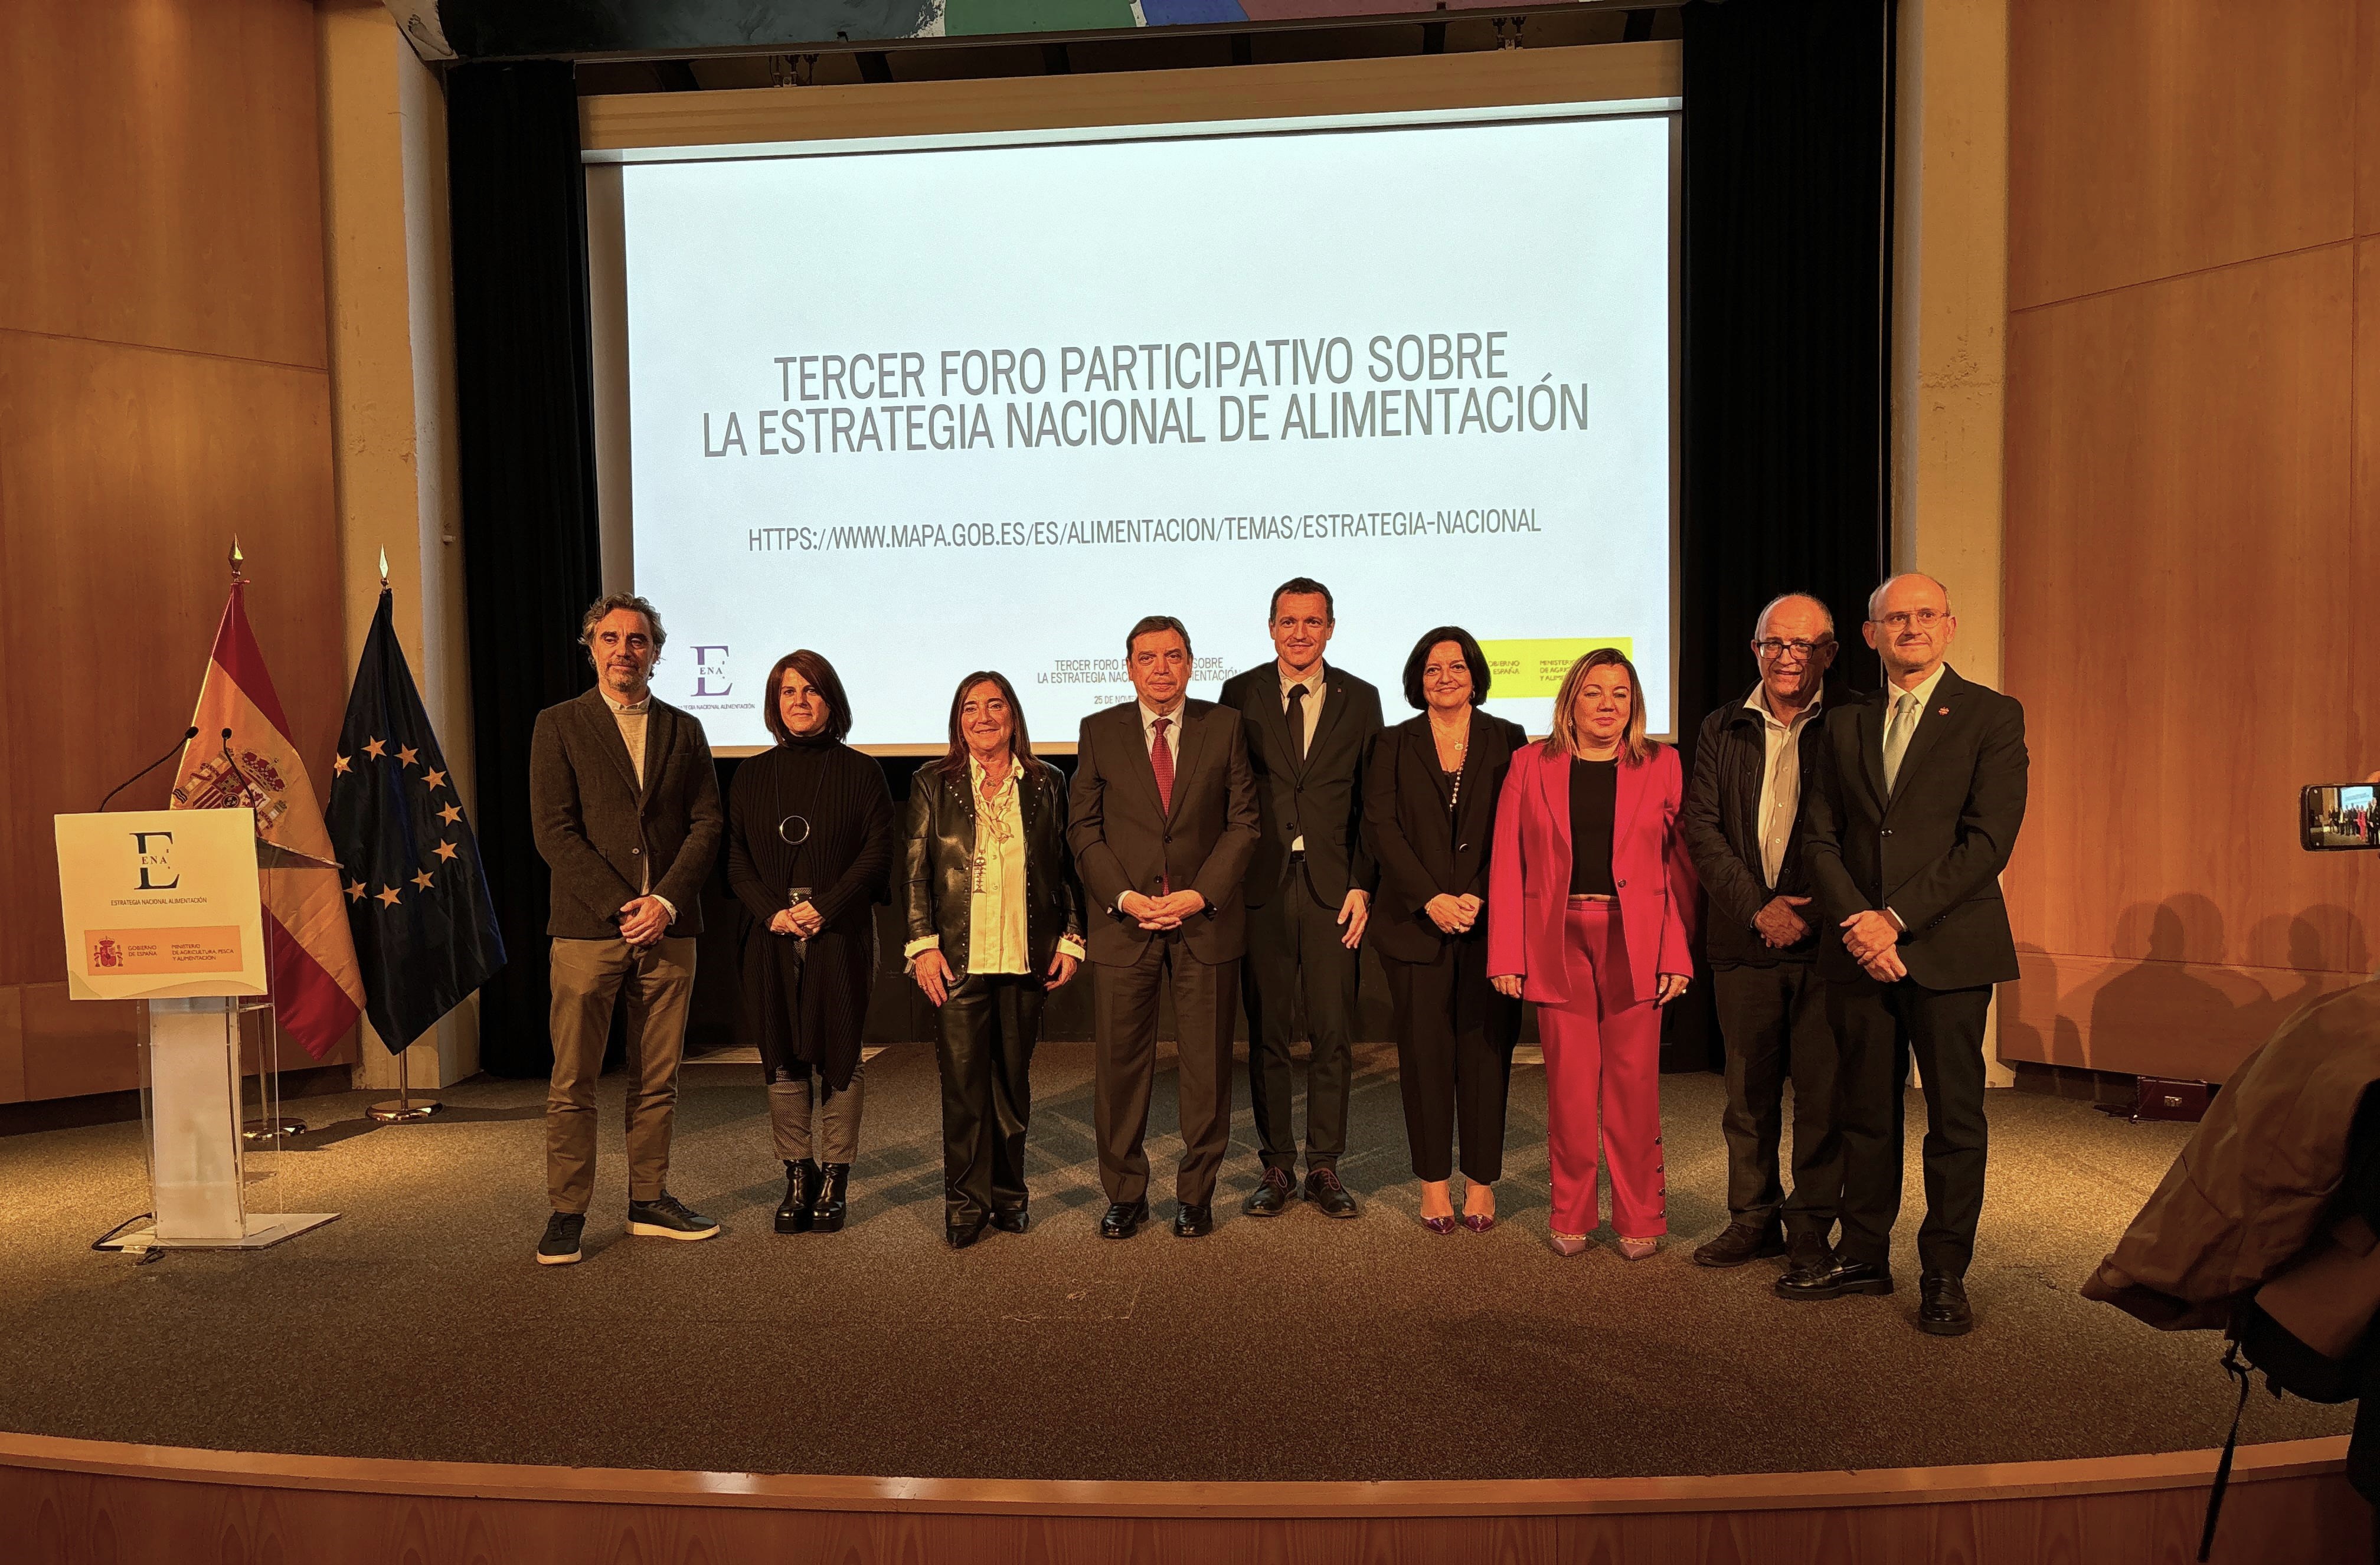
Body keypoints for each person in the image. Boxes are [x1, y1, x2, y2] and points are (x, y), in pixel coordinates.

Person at [1790, 572, 2028, 1336]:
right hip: (1859, 951)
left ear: (1950, 627)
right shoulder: (1844, 724)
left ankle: (1944, 1272)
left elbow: (1988, 842)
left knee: (1955, 1120)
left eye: (1926, 615)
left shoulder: (1992, 715)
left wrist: (1894, 920)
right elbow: (1820, 837)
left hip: (1949, 949)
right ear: (1870, 635)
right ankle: (1864, 1253)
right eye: (1896, 618)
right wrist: (1861, 924)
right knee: (1866, 1112)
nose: (1911, 628)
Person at [528, 592, 724, 1266]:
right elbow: (554, 831)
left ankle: (648, 1200)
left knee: (658, 1078)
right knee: (573, 1080)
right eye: (610, 639)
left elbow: (707, 824)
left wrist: (664, 902)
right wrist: (624, 905)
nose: (624, 651)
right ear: (591, 648)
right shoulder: (558, 724)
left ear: (655, 652)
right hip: (588, 928)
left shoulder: (685, 730)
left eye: (637, 640)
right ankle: (567, 1211)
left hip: (669, 928)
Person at [1488, 647, 1697, 1259]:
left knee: (1635, 1089)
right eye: (1594, 692)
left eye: (1620, 694)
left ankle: (1641, 1217)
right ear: (1570, 702)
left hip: (1636, 940)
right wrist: (1507, 954)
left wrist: (1676, 952)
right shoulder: (1529, 764)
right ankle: (1571, 1211)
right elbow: (1507, 863)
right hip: (1558, 940)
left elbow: (1680, 870)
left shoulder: (1662, 764)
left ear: (1634, 705)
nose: (1607, 705)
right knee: (1571, 1090)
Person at [1067, 615, 1260, 1239]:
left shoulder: (1224, 726)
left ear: (1190, 664)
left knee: (1207, 1068)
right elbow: (1083, 830)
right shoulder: (1098, 731)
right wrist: (1125, 898)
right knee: (1120, 1071)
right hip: (1125, 926)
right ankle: (1126, 1194)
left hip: (1204, 922)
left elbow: (1244, 822)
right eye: (1147, 658)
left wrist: (1200, 894)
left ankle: (1196, 1195)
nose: (1161, 669)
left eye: (1173, 656)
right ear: (1128, 668)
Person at [1679, 594, 1843, 1273]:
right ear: (1755, 650)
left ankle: (1809, 1227)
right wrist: (1759, 909)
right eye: (1775, 643)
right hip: (1743, 940)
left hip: (1827, 944)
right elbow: (1701, 828)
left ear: (1828, 653)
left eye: (1802, 645)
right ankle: (1751, 1219)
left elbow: (1863, 831)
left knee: (1822, 1098)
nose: (1787, 657)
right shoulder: (1722, 726)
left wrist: (1809, 912)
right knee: (1747, 1097)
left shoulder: (1852, 721)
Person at [1218, 577, 1384, 1220]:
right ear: (1271, 628)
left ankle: (1324, 1165)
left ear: (1330, 629)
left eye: (1313, 622)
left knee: (1332, 1031)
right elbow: (1228, 792)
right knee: (1267, 1033)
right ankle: (1277, 1165)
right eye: (1288, 622)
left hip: (1333, 889)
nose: (1300, 633)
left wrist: (1363, 882)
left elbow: (1373, 803)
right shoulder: (1240, 694)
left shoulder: (1361, 699)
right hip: (1260, 885)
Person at [902, 671, 1086, 1249]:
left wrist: (1072, 937)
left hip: (1026, 955)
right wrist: (922, 944)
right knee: (963, 1091)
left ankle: (1009, 1197)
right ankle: (965, 1203)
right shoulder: (932, 782)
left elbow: (1064, 867)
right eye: (970, 708)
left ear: (1013, 715)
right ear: (959, 721)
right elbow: (916, 872)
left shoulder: (1048, 781)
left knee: (1012, 1087)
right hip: (959, 960)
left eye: (995, 705)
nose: (983, 717)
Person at [724, 650, 894, 1238]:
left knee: (841, 1049)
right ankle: (798, 1172)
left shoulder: (863, 772)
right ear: (775, 704)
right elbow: (735, 861)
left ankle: (835, 1176)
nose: (800, 701)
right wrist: (772, 912)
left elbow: (876, 855)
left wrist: (826, 906)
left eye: (811, 690)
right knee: (781, 1053)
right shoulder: (750, 775)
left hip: (839, 930)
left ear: (831, 700)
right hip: (770, 932)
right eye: (788, 692)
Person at [1363, 627, 1526, 1233]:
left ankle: (1481, 1184)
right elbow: (1380, 827)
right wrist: (1430, 898)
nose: (1445, 678)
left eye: (1456, 667)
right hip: (1415, 924)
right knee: (1425, 1058)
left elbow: (1519, 825)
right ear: (1418, 680)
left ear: (1475, 675)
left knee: (1487, 1055)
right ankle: (1433, 1185)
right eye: (1433, 669)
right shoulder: (1390, 742)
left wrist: (1479, 892)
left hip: (1490, 923)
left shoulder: (1508, 738)